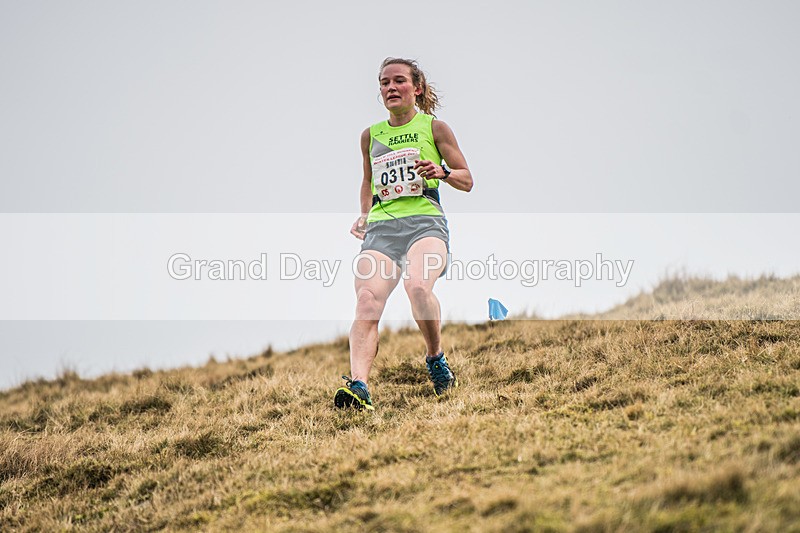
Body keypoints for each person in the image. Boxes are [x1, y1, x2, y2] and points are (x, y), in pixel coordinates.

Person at [334, 57, 473, 410]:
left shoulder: (435, 128)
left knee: (417, 286)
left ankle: (435, 358)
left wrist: (440, 172)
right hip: (382, 228)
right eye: (384, 83)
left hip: (424, 222)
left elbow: (467, 179)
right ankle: (359, 387)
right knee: (366, 301)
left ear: (417, 88)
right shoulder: (370, 135)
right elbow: (367, 181)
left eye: (399, 81)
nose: (391, 88)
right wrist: (365, 215)